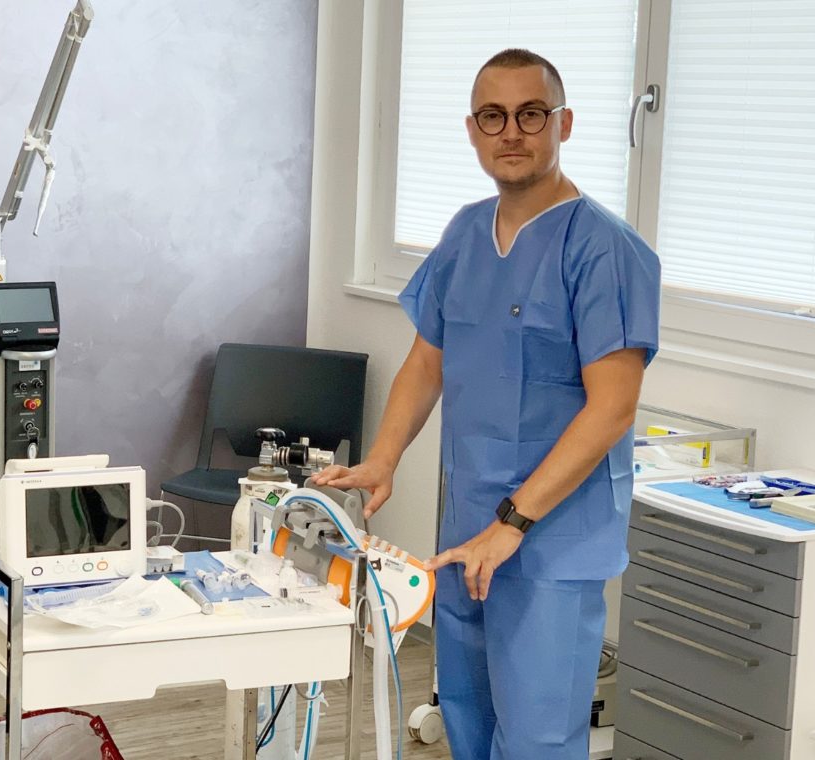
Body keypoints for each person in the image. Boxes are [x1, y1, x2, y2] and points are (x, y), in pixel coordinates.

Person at [314, 48, 661, 759]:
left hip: (549, 545)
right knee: (468, 723)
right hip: (467, 532)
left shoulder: (604, 251)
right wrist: (383, 460)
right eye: (493, 116)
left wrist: (514, 522)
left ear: (563, 123)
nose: (513, 132)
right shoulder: (465, 234)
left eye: (531, 114)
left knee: (535, 740)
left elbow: (612, 409)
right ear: (472, 131)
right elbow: (426, 360)